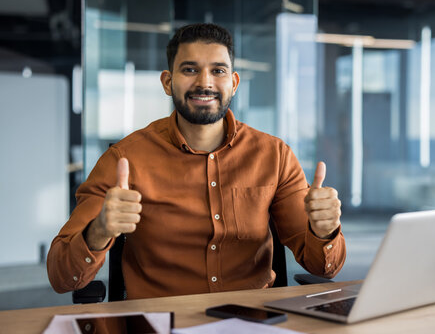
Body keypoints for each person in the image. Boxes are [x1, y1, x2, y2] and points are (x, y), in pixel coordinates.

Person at [47, 23, 346, 299]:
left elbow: (324, 268)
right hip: (161, 324)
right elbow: (62, 277)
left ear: (234, 82)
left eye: (218, 71)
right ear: (167, 82)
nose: (205, 83)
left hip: (253, 322)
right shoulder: (125, 159)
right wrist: (98, 231)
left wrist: (325, 231)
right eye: (190, 69)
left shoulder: (274, 156)